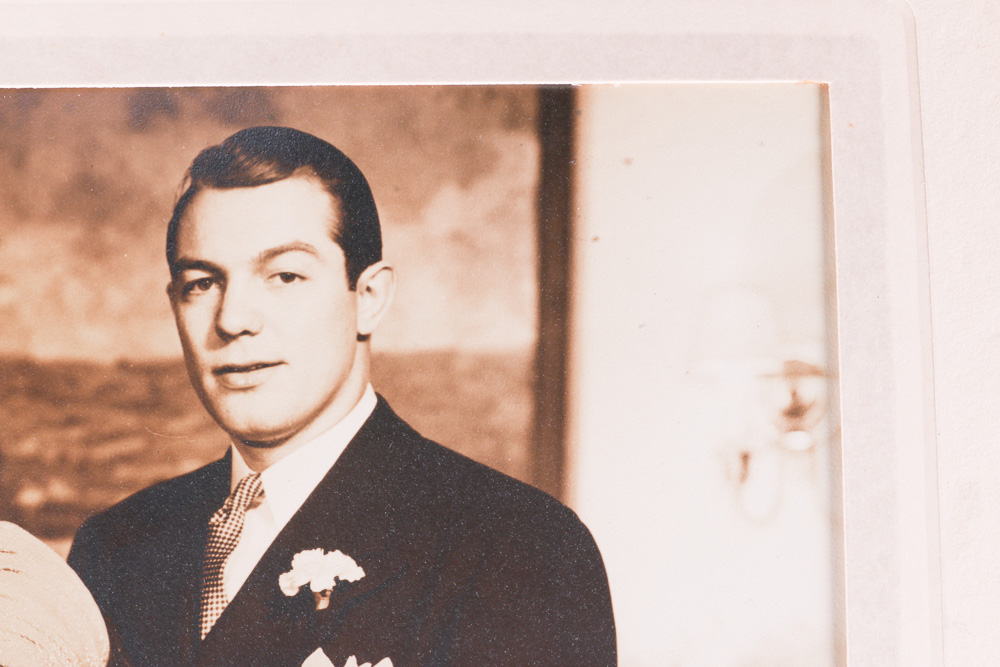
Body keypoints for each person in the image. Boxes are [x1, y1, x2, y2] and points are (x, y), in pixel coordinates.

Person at [68, 126, 616, 667]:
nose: (233, 320)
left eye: (284, 276)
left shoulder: (519, 547)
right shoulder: (115, 548)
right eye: (202, 283)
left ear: (369, 297)